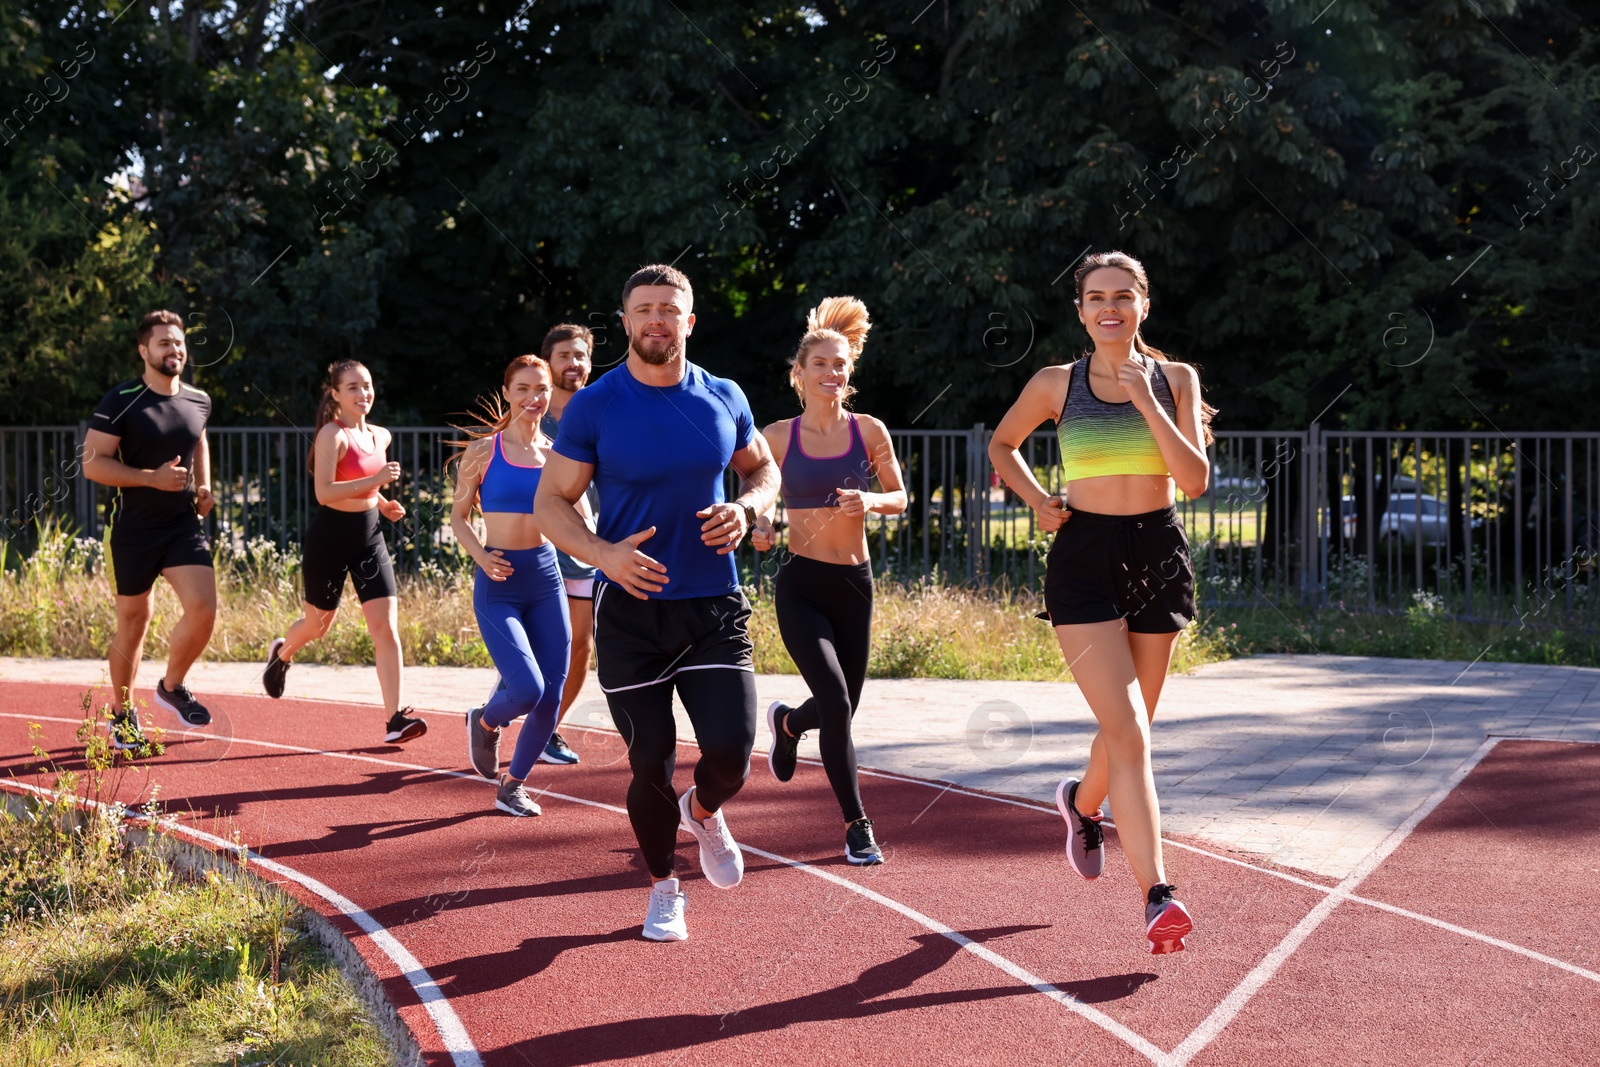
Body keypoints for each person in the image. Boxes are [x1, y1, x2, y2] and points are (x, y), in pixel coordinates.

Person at [536, 264, 781, 943]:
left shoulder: (723, 396)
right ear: (625, 320)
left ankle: (703, 809)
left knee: (731, 751)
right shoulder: (596, 405)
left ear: (689, 320)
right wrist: (601, 553)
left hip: (713, 606)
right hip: (632, 612)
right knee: (651, 760)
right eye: (643, 308)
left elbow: (763, 467)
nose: (655, 319)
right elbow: (550, 501)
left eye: (668, 309)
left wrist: (748, 505)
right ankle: (664, 886)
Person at [987, 250, 1215, 956]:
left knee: (1130, 727)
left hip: (1157, 553)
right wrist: (1037, 500)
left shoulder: (1176, 378)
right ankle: (1158, 893)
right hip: (1084, 559)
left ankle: (1082, 804)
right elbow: (1002, 444)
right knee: (1134, 734)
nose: (1109, 306)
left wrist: (1149, 400)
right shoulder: (1057, 382)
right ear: (1080, 310)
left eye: (1123, 295)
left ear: (1143, 304)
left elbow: (1195, 478)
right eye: (1095, 297)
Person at [750, 296, 906, 866]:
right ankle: (856, 825)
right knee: (837, 701)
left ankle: (789, 723)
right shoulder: (776, 436)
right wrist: (762, 523)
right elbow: (758, 498)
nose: (832, 373)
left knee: (843, 706)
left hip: (854, 585)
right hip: (801, 584)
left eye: (840, 365)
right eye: (821, 364)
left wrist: (870, 498)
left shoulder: (869, 431)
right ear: (800, 373)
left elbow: (901, 498)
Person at [260, 360, 426, 745]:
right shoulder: (331, 436)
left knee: (385, 627)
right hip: (330, 539)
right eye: (352, 387)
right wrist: (376, 481)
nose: (362, 393)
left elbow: (365, 484)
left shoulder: (380, 436)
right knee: (317, 627)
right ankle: (283, 654)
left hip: (369, 537)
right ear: (335, 394)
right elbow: (326, 492)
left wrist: (382, 503)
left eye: (366, 385)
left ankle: (394, 719)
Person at [83, 310, 218, 750]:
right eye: (164, 344)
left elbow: (198, 437)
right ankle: (122, 716)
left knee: (203, 609)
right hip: (132, 528)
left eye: (178, 343)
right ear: (144, 351)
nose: (173, 350)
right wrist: (150, 478)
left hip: (181, 524)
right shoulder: (120, 398)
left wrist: (204, 485)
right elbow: (92, 463)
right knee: (134, 623)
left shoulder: (198, 399)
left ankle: (171, 686)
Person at [451, 355, 576, 816]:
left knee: (553, 693)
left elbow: (574, 519)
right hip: (498, 581)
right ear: (507, 392)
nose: (533, 398)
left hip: (545, 578)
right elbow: (458, 519)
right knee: (526, 689)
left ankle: (512, 784)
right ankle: (484, 722)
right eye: (523, 389)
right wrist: (482, 556)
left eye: (541, 389)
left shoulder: (556, 456)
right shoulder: (483, 451)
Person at [535, 323, 601, 765]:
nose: (573, 363)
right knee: (544, 644)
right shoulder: (532, 413)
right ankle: (495, 712)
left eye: (580, 355)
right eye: (564, 355)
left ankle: (548, 730)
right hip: (537, 543)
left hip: (588, 545)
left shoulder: (603, 411)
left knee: (581, 646)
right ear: (549, 362)